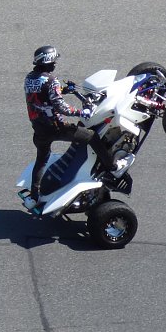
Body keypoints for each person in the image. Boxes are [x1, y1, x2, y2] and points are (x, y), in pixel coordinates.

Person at [23, 46, 133, 212]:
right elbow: (61, 107)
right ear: (47, 61)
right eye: (53, 61)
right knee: (91, 136)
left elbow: (42, 96)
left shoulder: (29, 78)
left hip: (39, 129)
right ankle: (112, 168)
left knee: (41, 160)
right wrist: (82, 112)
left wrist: (65, 90)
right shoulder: (51, 80)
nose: (55, 64)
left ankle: (34, 195)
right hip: (56, 127)